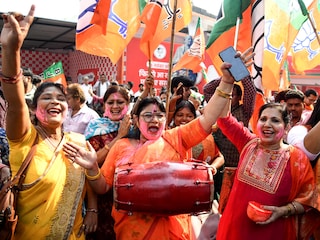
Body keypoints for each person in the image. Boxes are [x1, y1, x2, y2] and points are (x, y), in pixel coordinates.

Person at [72, 48, 243, 239]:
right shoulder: (122, 146)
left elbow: (209, 117)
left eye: (160, 116)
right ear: (136, 120)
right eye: (148, 115)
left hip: (173, 232)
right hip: (132, 232)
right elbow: (103, 187)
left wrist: (227, 82)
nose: (154, 120)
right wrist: (93, 168)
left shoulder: (176, 138)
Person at [0, 6, 98, 238]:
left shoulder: (78, 140)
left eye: (61, 98)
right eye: (46, 98)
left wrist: (92, 208)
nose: (55, 102)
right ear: (33, 109)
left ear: (68, 106)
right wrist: (11, 49)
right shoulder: (25, 138)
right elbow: (14, 99)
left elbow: (90, 175)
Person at [215, 101, 318, 239]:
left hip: (273, 232)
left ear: (287, 127)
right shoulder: (248, 143)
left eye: (275, 120)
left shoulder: (297, 159)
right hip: (234, 230)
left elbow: (309, 199)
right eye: (263, 119)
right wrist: (227, 82)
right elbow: (223, 118)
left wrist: (282, 211)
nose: (267, 124)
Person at [203, 50, 256, 207]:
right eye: (226, 93)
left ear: (239, 98)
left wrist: (240, 71)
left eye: (232, 94)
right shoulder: (217, 107)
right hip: (218, 167)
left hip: (240, 168)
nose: (228, 96)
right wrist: (226, 79)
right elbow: (207, 90)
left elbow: (251, 91)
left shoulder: (244, 111)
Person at [84, 85, 132, 240]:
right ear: (104, 105)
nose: (115, 106)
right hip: (102, 199)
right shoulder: (96, 127)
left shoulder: (136, 127)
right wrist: (119, 137)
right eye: (110, 102)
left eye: (120, 102)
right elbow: (91, 163)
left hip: (130, 199)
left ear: (128, 105)